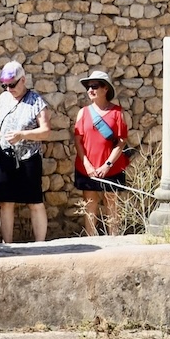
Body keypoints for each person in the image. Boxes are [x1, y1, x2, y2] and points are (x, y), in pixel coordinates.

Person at [0, 60, 51, 243]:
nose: (9, 89)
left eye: (12, 85)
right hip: (5, 156)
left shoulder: (36, 101)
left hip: (28, 157)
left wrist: (22, 135)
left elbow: (46, 131)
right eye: (5, 85)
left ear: (23, 80)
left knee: (34, 201)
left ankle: (40, 244)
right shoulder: (3, 98)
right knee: (5, 202)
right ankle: (7, 243)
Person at [72, 69, 131, 237]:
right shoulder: (83, 113)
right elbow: (78, 140)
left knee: (111, 205)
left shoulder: (118, 113)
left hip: (112, 167)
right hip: (87, 168)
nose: (90, 90)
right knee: (90, 205)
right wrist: (87, 164)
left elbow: (121, 141)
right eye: (88, 87)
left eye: (95, 86)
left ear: (105, 89)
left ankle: (114, 240)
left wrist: (107, 165)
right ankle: (91, 239)